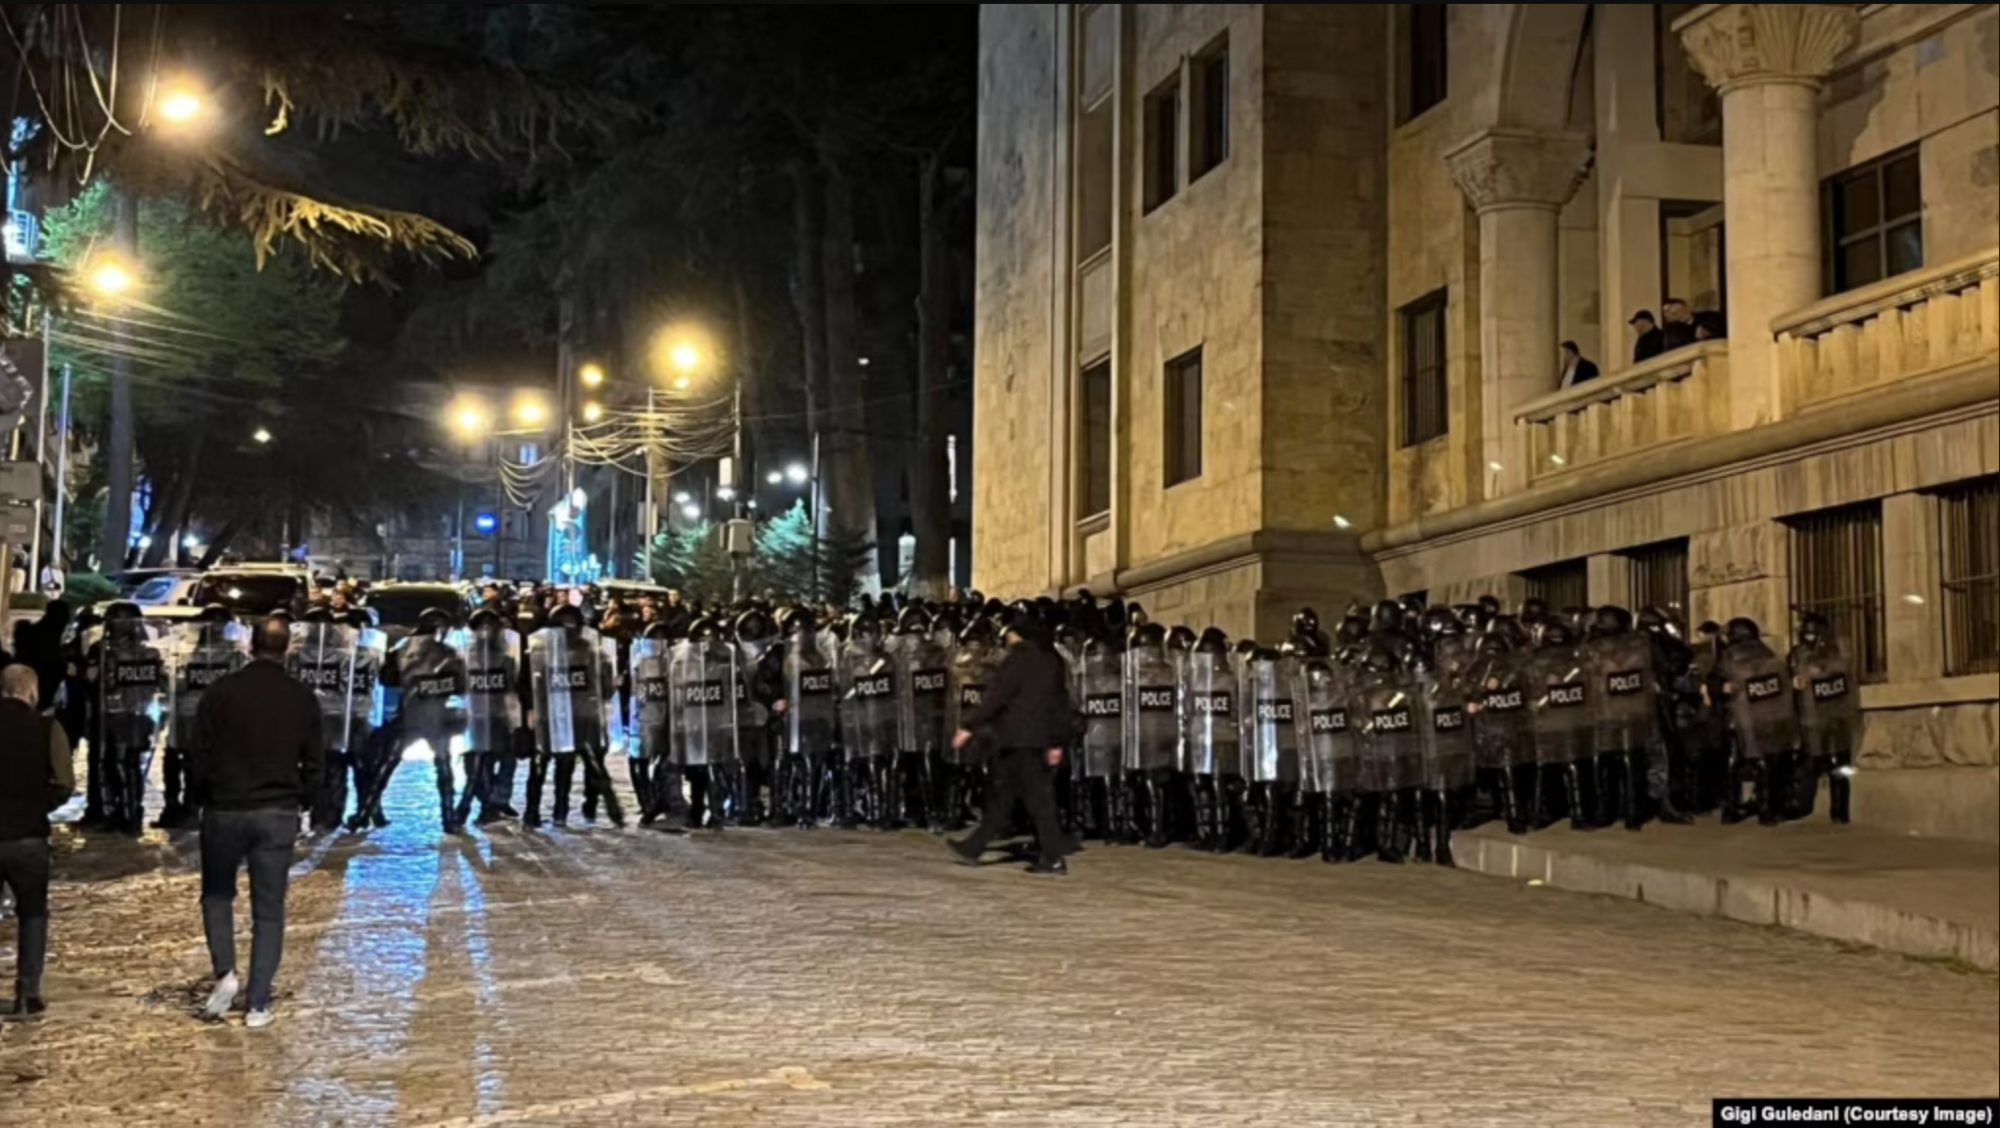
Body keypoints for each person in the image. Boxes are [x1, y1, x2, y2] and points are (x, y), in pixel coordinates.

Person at [189, 617, 325, 1029]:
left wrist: (201, 796)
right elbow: (317, 761)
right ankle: (259, 1002)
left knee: (217, 895)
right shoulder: (302, 698)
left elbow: (198, 752)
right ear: (287, 650)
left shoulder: (221, 693)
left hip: (225, 808)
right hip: (278, 810)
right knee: (269, 910)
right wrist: (305, 799)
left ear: (249, 646)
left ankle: (226, 973)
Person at [947, 616, 1074, 875]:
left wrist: (969, 726)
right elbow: (1059, 705)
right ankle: (974, 846)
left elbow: (997, 697)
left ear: (1018, 636)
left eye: (1009, 636)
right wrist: (1056, 741)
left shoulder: (1018, 660)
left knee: (1029, 800)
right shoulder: (1052, 662)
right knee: (1011, 798)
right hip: (1038, 740)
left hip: (1016, 739)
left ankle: (1052, 856)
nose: (1006, 641)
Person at [0, 665, 74, 1020]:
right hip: (29, 836)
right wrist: (41, 804)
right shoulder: (47, 728)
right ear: (31, 690)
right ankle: (27, 991)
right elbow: (64, 782)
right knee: (32, 913)